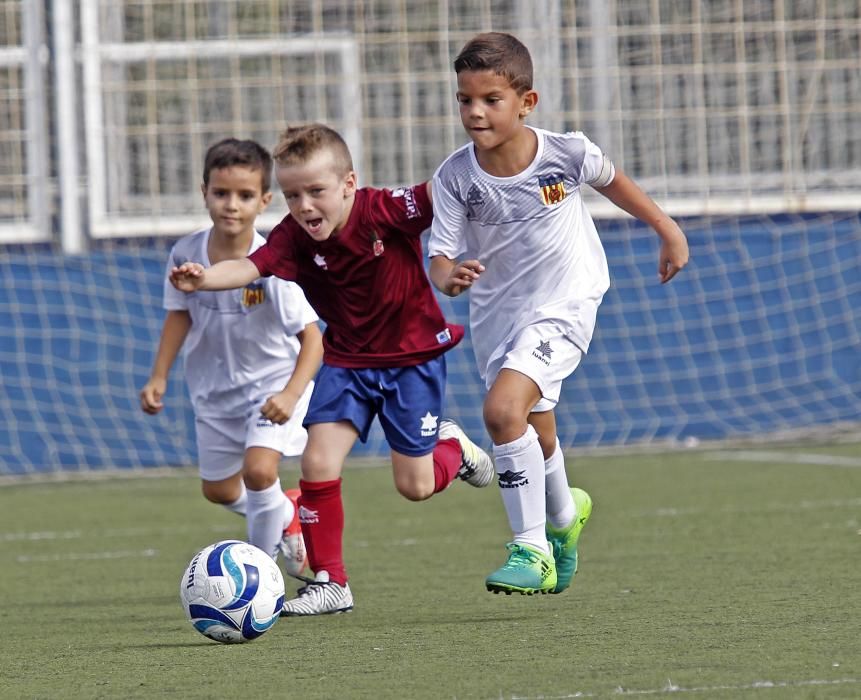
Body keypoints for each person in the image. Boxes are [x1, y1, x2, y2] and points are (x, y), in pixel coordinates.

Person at [169, 123, 494, 616]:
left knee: (416, 486)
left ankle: (454, 449)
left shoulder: (384, 209)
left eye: (316, 192)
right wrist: (205, 279)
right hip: (345, 362)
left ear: (349, 184)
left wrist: (494, 166)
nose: (304, 207)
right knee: (317, 465)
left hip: (410, 362)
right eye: (293, 195)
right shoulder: (291, 238)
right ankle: (331, 582)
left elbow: (446, 189)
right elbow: (250, 267)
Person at [428, 32, 690, 595]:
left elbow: (614, 183)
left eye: (490, 99)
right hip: (499, 316)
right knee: (535, 431)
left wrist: (666, 228)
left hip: (567, 303)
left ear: (527, 102)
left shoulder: (565, 154)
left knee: (502, 412)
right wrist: (448, 277)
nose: (475, 112)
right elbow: (441, 257)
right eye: (465, 100)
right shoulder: (454, 178)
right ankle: (566, 521)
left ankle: (532, 549)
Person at [140, 137, 323, 578]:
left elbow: (313, 340)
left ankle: (260, 577)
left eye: (244, 196)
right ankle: (284, 514)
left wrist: (290, 392)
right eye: (221, 193)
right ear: (204, 192)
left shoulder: (273, 262)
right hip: (214, 390)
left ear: (264, 200)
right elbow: (178, 316)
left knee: (259, 471)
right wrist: (158, 376)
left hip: (272, 385)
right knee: (219, 489)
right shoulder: (185, 254)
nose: (231, 205)